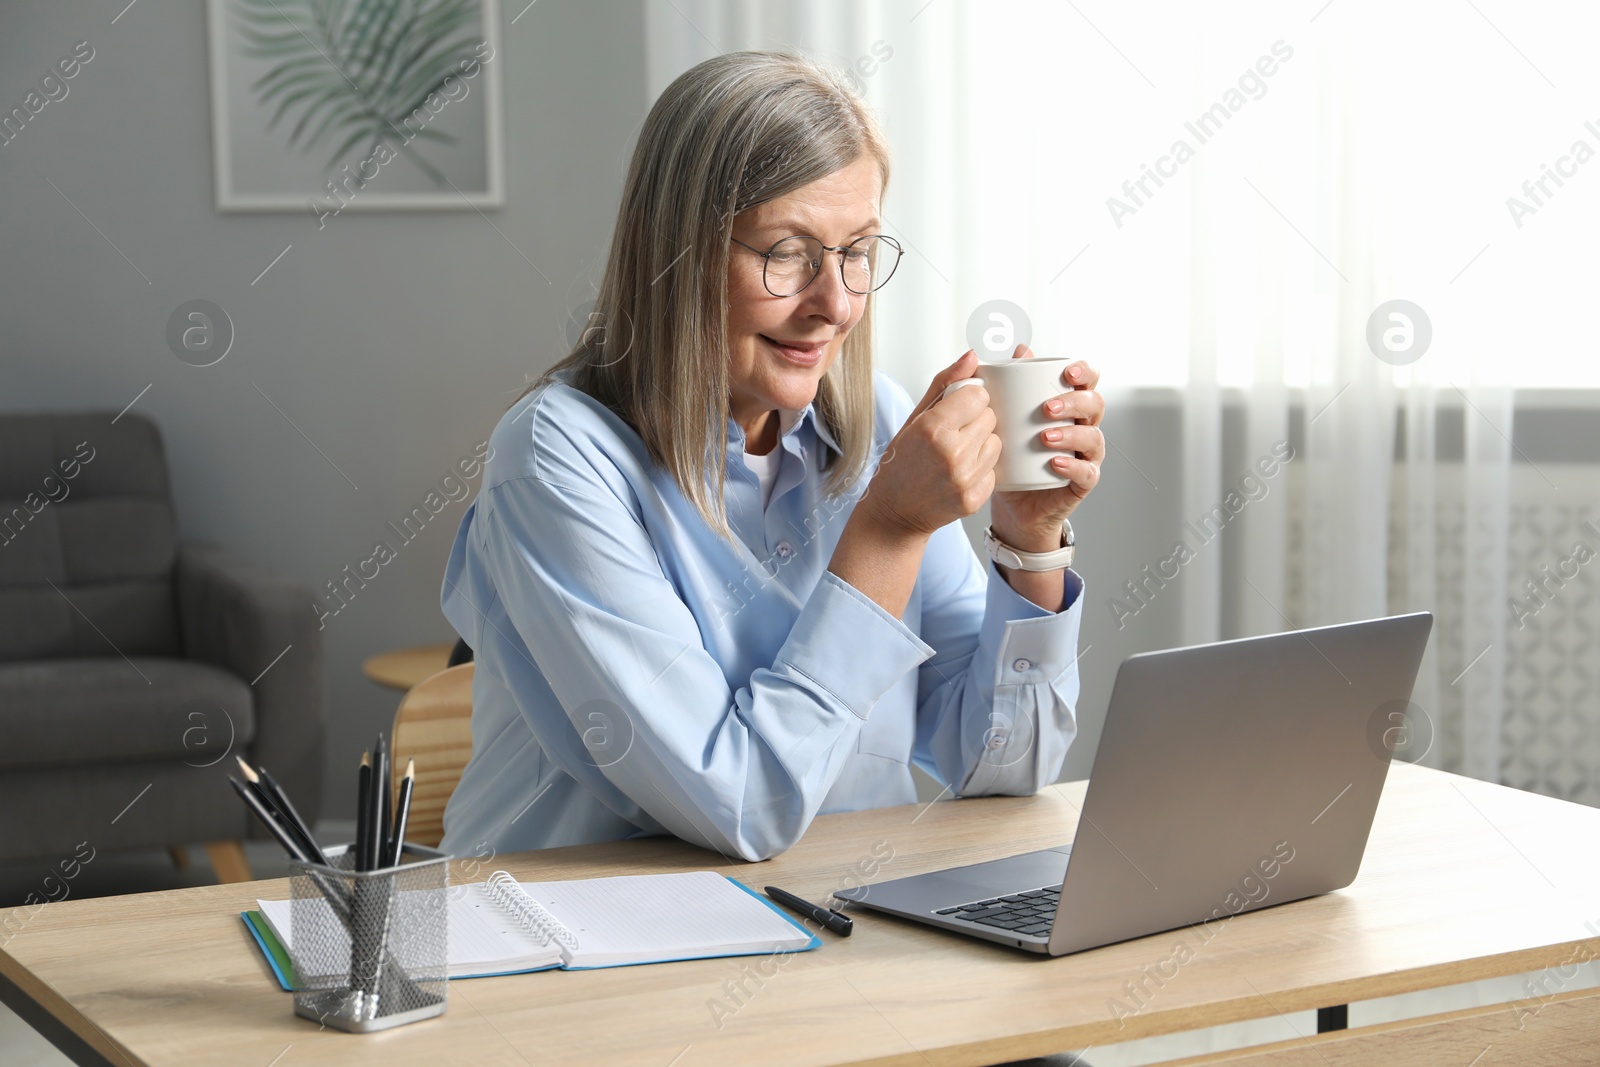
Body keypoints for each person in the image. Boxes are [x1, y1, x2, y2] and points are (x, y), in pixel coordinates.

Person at [438, 50, 1105, 865]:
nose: (834, 303)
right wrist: (889, 528)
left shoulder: (879, 425)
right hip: (583, 956)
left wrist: (1027, 541)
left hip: (835, 930)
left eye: (857, 250)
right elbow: (741, 806)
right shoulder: (556, 459)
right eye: (788, 252)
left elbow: (1000, 761)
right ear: (675, 255)